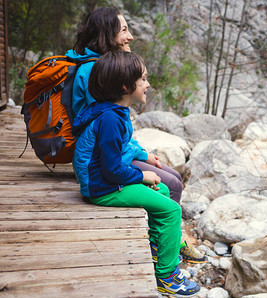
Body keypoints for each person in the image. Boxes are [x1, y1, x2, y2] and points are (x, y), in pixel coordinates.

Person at [66, 6, 206, 263]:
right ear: (107, 34)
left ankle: (166, 237)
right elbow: (107, 135)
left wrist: (142, 154)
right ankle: (166, 245)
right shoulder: (98, 73)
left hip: (110, 157)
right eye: (124, 30)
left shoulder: (111, 73)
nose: (130, 37)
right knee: (171, 184)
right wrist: (140, 170)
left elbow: (117, 132)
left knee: (171, 177)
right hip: (102, 167)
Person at [72, 51, 200, 298]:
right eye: (143, 79)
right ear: (124, 86)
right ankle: (167, 276)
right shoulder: (110, 118)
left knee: (162, 190)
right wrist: (141, 176)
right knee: (171, 210)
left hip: (104, 182)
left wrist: (142, 157)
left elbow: (120, 149)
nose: (148, 84)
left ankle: (157, 246)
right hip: (101, 188)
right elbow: (111, 169)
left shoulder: (113, 111)